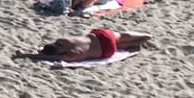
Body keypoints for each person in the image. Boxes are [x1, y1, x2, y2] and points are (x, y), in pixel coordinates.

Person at [14, 27, 155, 62]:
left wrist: (25, 55)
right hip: (101, 35)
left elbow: (48, 58)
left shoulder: (72, 55)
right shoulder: (62, 40)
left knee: (122, 47)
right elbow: (47, 49)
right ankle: (145, 36)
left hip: (106, 50)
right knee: (121, 36)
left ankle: (137, 42)